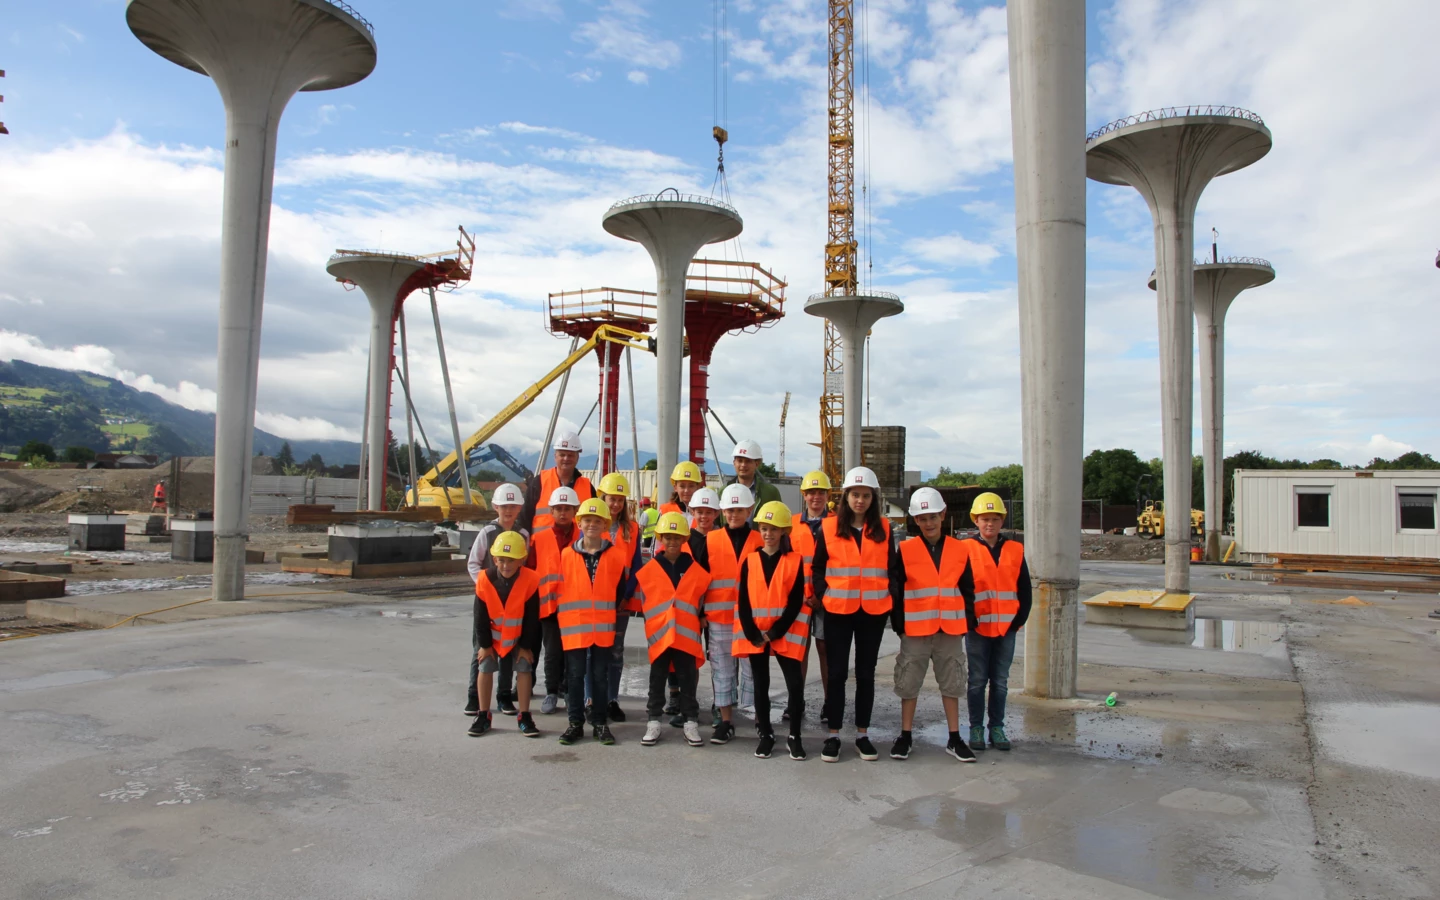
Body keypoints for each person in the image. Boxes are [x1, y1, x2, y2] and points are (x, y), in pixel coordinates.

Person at [811, 466, 903, 763]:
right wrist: (824, 597)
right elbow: (818, 568)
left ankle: (863, 734)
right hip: (838, 610)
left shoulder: (885, 529)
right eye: (855, 495)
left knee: (865, 675)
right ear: (845, 497)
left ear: (873, 498)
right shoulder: (828, 528)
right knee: (837, 674)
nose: (860, 500)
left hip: (873, 612)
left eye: (865, 495)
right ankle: (834, 734)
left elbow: (892, 569)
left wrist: (889, 598)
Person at [889, 487, 977, 763]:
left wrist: (967, 622)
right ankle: (905, 735)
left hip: (950, 629)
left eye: (932, 517)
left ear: (942, 515)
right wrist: (899, 625)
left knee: (952, 683)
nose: (928, 523)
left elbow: (967, 589)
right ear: (915, 520)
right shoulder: (905, 550)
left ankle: (954, 737)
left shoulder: (960, 550)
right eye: (922, 518)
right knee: (909, 683)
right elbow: (897, 590)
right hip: (915, 630)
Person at [734, 501, 810, 761]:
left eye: (774, 529)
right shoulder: (750, 560)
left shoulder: (794, 561)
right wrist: (752, 632)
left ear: (784, 532)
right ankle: (765, 733)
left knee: (795, 685)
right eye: (764, 528)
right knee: (760, 685)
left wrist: (776, 631)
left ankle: (794, 736)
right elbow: (742, 599)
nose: (768, 533)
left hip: (784, 632)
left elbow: (796, 600)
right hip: (755, 633)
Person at [555, 497, 633, 746]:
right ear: (579, 523)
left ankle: (599, 722)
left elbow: (619, 590)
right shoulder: (566, 555)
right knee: (575, 677)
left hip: (602, 628)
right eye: (587, 520)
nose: (592, 525)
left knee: (600, 675)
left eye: (597, 521)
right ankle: (575, 723)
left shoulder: (616, 555)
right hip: (575, 628)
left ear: (605, 524)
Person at [961, 492, 1030, 753]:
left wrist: (1019, 619)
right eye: (984, 519)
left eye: (994, 519)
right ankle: (976, 727)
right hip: (977, 628)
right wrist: (968, 619)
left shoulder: (1015, 549)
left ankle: (997, 727)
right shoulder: (966, 549)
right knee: (977, 680)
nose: (989, 524)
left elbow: (1024, 588)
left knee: (1000, 681)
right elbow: (962, 587)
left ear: (1002, 521)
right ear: (975, 521)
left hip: (1006, 627)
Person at [637, 511, 710, 748]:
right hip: (660, 636)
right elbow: (646, 602)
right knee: (656, 679)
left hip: (685, 636)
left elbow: (700, 599)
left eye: (677, 537)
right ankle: (653, 720)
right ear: (659, 538)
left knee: (687, 679)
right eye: (667, 537)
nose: (672, 541)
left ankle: (690, 720)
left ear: (685, 539)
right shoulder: (650, 568)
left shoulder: (694, 568)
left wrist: (699, 616)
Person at [464, 483, 533, 717]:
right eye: (504, 506)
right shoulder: (487, 533)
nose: (508, 510)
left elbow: (524, 567)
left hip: (513, 604)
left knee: (507, 652)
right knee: (482, 649)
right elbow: (473, 564)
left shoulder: (523, 535)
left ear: (519, 508)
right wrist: (485, 588)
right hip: (489, 603)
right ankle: (474, 697)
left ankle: (504, 697)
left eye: (513, 506)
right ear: (495, 506)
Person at [702, 483, 762, 744]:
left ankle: (760, 718)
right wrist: (700, 612)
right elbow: (700, 579)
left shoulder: (760, 540)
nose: (734, 514)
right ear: (721, 512)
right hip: (720, 618)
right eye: (729, 510)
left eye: (739, 509)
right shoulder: (711, 540)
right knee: (722, 670)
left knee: (755, 669)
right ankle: (725, 721)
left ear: (749, 509)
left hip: (752, 619)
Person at [469, 532, 543, 738]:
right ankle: (483, 715)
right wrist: (485, 645)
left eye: (511, 560)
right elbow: (479, 617)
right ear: (494, 560)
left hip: (519, 638)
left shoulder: (531, 580)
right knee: (484, 667)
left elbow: (531, 618)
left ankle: (525, 715)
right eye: (501, 560)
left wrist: (525, 646)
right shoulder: (484, 579)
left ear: (521, 560)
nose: (506, 565)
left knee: (524, 668)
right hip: (491, 638)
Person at [591, 472, 643, 723]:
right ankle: (592, 700)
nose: (615, 505)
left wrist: (627, 594)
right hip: (596, 601)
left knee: (615, 653)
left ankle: (612, 699)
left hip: (621, 601)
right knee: (594, 651)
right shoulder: (592, 525)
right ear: (603, 497)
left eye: (620, 500)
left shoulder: (632, 529)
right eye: (612, 499)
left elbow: (636, 566)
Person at [790, 470, 833, 723]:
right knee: (798, 652)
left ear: (827, 495)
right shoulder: (792, 524)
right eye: (811, 492)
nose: (815, 497)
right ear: (803, 495)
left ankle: (830, 703)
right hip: (798, 599)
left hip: (827, 598)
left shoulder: (836, 524)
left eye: (820, 492)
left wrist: (821, 594)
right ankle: (797, 701)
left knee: (826, 650)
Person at [534, 486, 580, 715]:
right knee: (552, 652)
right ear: (551, 510)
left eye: (567, 509)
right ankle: (551, 692)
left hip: (575, 607)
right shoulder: (539, 538)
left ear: (575, 511)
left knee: (572, 653)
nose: (563, 513)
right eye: (559, 508)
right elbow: (531, 571)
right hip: (549, 607)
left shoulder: (583, 537)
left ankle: (569, 692)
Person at [522, 430, 594, 533]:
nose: (566, 458)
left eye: (570, 455)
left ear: (577, 457)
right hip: (543, 547)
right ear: (555, 456)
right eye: (562, 455)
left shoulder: (587, 487)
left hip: (575, 548)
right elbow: (525, 518)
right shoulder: (540, 482)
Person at [725, 440, 782, 517]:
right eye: (740, 460)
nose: (743, 465)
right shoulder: (724, 491)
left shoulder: (770, 493)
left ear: (757, 463)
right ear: (734, 463)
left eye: (748, 461)